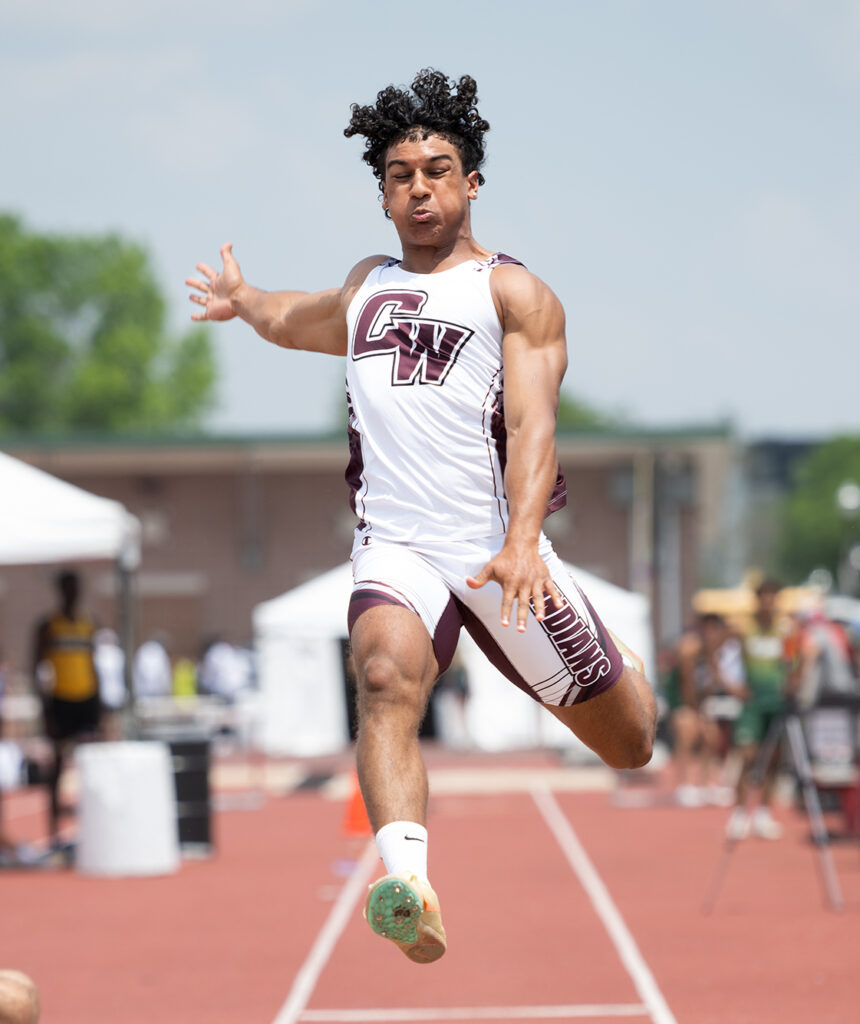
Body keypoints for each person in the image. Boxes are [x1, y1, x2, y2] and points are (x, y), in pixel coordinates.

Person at [187, 68, 656, 964]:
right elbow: (298, 318)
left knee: (631, 743)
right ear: (384, 193)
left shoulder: (515, 295)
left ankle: (619, 662)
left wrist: (523, 540)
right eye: (401, 174)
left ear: (471, 181)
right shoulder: (369, 286)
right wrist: (246, 303)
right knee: (383, 676)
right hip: (394, 544)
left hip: (494, 550)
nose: (420, 188)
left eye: (438, 170)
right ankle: (409, 881)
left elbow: (533, 422)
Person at [32, 571, 102, 846]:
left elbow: (94, 664)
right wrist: (45, 709)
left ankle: (93, 826)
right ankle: (54, 832)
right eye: (68, 588)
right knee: (58, 766)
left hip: (87, 700)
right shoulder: (48, 625)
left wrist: (99, 704)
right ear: (60, 590)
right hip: (60, 701)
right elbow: (36, 667)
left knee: (93, 765)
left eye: (76, 588)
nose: (73, 593)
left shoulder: (89, 623)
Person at [726, 579, 796, 840]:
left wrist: (792, 682)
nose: (768, 602)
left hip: (776, 702)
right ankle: (740, 814)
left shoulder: (785, 628)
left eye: (773, 597)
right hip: (752, 702)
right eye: (764, 597)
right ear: (757, 600)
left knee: (774, 760)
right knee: (747, 757)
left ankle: (764, 814)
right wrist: (730, 685)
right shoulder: (744, 628)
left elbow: (792, 661)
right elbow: (713, 650)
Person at [671, 613, 745, 807]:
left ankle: (704, 784)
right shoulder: (690, 646)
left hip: (702, 703)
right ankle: (683, 785)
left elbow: (714, 680)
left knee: (712, 737)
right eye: (708, 629)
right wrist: (695, 708)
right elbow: (687, 684)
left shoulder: (715, 652)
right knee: (687, 733)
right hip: (683, 702)